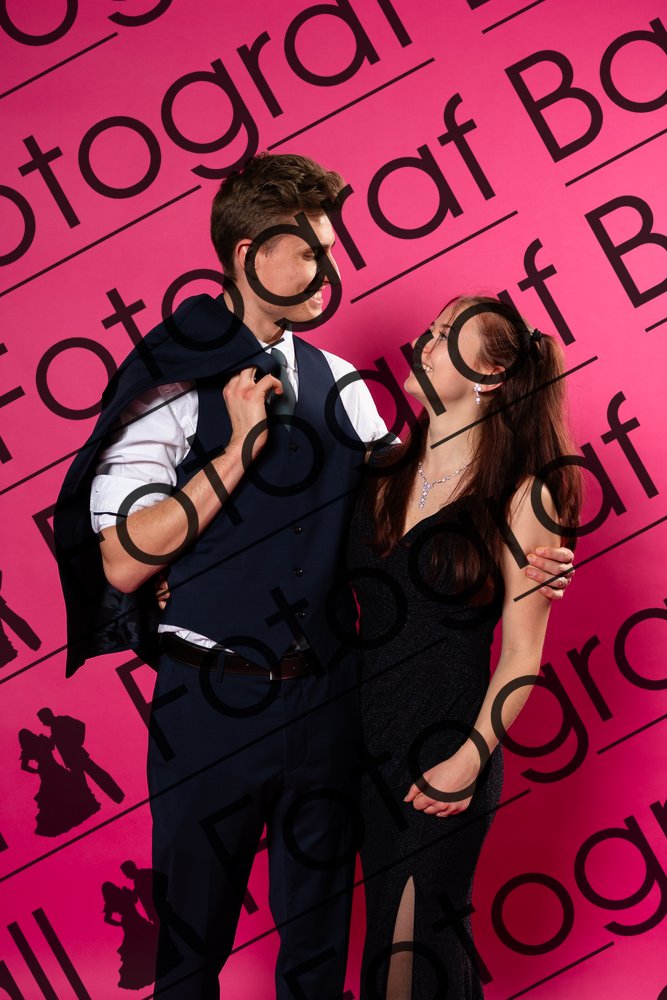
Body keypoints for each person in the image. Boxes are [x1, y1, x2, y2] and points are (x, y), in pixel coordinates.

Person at [54, 152, 572, 999]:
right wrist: (234, 454)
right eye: (310, 252)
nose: (330, 271)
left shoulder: (342, 385)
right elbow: (121, 558)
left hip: (329, 708)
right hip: (208, 705)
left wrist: (526, 547)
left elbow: (422, 503)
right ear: (249, 253)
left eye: (331, 250)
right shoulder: (168, 381)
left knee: (318, 956)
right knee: (189, 949)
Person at [345, 296, 582, 1000]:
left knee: (411, 949)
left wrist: (469, 760)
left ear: (488, 374)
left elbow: (521, 657)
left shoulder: (522, 497)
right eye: (430, 328)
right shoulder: (379, 469)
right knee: (394, 942)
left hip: (447, 744)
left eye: (447, 334)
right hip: (361, 744)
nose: (425, 340)